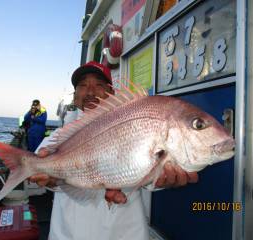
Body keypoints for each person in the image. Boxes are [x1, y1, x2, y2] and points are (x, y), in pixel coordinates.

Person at [30, 61, 198, 240]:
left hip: (123, 233)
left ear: (111, 93)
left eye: (99, 85)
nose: (90, 92)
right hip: (67, 234)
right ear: (75, 96)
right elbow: (35, 169)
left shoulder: (130, 124)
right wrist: (51, 178)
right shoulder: (57, 138)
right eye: (83, 86)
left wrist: (159, 178)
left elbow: (146, 171)